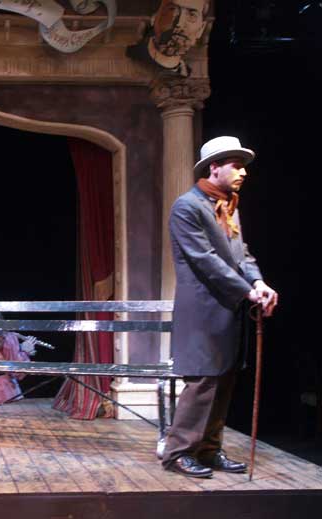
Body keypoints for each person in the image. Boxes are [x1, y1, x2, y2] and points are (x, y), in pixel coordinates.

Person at [161, 136, 278, 478]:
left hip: (228, 310)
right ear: (214, 167)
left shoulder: (228, 207)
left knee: (224, 380)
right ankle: (178, 453)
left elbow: (242, 255)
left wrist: (258, 282)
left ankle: (209, 449)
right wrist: (246, 291)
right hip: (203, 312)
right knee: (202, 384)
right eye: (236, 166)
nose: (243, 172)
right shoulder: (188, 207)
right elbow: (205, 259)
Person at [126, 0, 208, 77]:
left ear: (201, 29)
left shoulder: (190, 74)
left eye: (192, 15)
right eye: (172, 10)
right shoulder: (129, 60)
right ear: (154, 18)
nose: (179, 23)